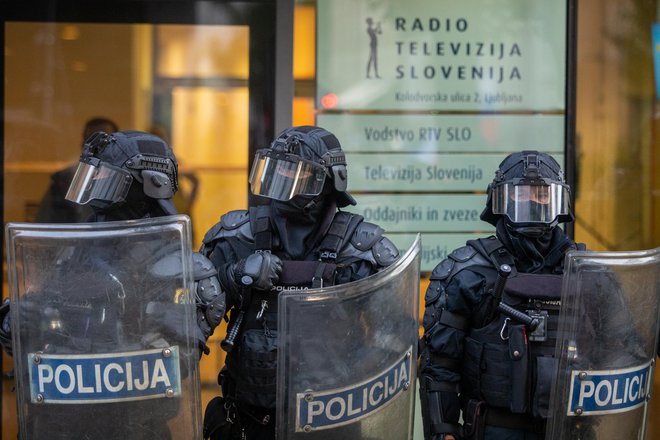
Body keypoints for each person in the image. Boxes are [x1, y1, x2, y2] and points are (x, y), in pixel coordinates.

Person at [0, 130, 225, 438]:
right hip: (68, 417)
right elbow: (44, 306)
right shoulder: (79, 242)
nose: (94, 183)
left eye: (103, 175)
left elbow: (179, 363)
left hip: (135, 421)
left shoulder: (177, 264)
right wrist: (19, 321)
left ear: (145, 183)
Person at [199, 125, 400, 440]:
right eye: (275, 171)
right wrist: (236, 274)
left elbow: (394, 339)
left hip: (333, 420)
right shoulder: (237, 237)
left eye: (293, 175)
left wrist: (345, 375)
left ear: (327, 181)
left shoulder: (361, 250)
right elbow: (191, 317)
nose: (281, 184)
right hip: (250, 416)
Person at [418, 151, 586, 440]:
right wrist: (443, 432)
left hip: (572, 430)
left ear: (559, 202)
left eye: (542, 196)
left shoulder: (589, 273)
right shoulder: (468, 273)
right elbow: (440, 367)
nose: (532, 203)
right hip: (492, 430)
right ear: (501, 200)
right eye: (520, 195)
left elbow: (621, 354)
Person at [35, 117, 119, 223]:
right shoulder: (64, 180)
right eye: (91, 140)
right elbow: (47, 224)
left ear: (116, 145)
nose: (97, 146)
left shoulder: (129, 181)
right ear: (83, 145)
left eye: (104, 141)